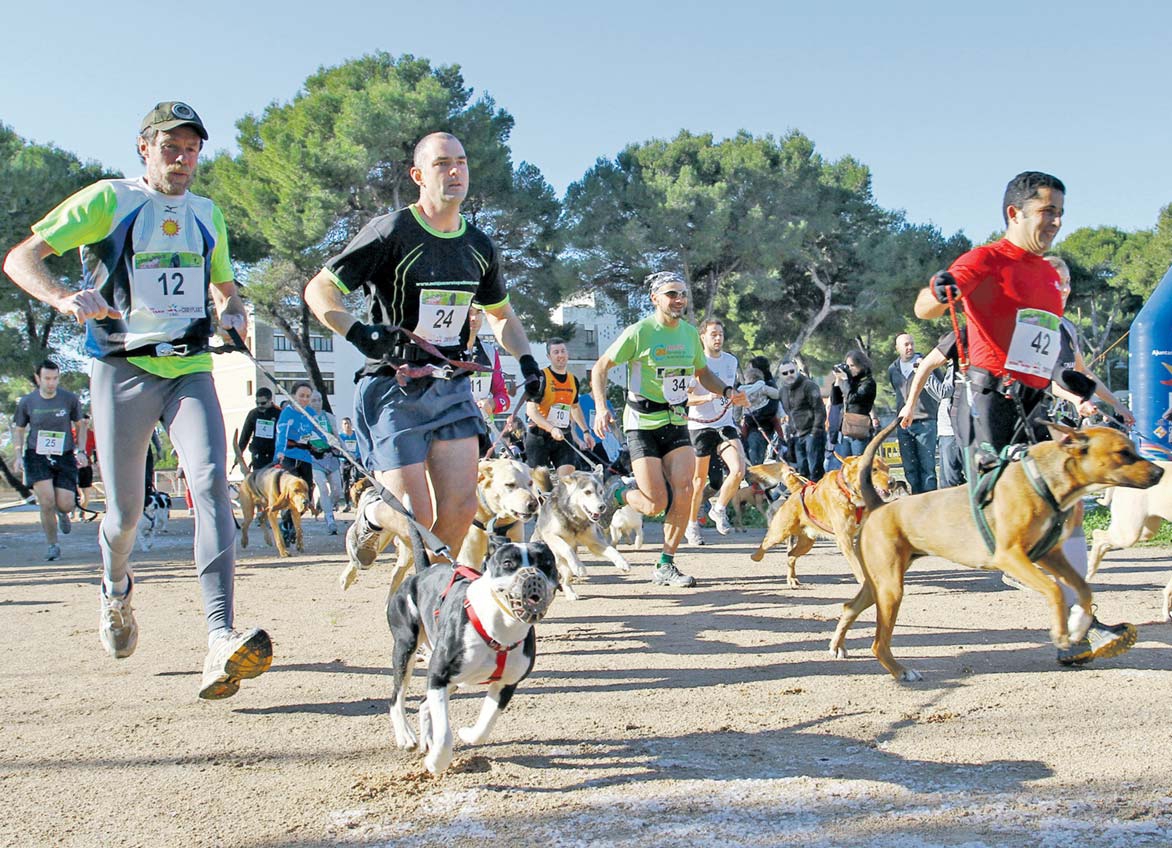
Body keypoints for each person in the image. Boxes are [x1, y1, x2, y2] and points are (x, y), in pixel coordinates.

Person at [2, 101, 271, 699]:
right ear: (144, 148)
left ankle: (220, 638)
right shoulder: (107, 201)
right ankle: (115, 589)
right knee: (123, 517)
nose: (182, 160)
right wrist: (65, 298)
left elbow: (226, 288)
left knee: (209, 486)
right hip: (121, 371)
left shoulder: (208, 214)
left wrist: (232, 309)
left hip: (189, 369)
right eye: (170, 148)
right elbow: (21, 259)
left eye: (192, 149)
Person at [914, 169, 1134, 666]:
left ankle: (1079, 625)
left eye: (1060, 211)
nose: (1056, 220)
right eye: (1046, 211)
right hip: (988, 403)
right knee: (1014, 514)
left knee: (1069, 503)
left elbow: (1039, 347)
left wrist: (1070, 385)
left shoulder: (1050, 275)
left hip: (1033, 404)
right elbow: (927, 306)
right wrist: (940, 288)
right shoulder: (985, 259)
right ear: (1015, 213)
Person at [303, 131, 542, 573]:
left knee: (461, 507)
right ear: (417, 175)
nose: (455, 171)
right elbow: (319, 289)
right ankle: (373, 513)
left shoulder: (480, 246)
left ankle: (429, 599)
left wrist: (527, 360)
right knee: (417, 517)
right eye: (442, 164)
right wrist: (358, 332)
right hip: (393, 384)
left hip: (450, 387)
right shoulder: (391, 231)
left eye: (462, 162)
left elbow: (501, 314)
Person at [592, 272, 747, 588]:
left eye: (683, 294)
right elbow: (600, 368)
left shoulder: (690, 335)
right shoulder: (639, 333)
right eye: (671, 294)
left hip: (677, 421)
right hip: (642, 424)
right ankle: (618, 492)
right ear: (655, 298)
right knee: (654, 504)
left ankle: (666, 564)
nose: (679, 300)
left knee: (686, 489)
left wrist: (728, 391)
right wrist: (601, 406)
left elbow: (703, 374)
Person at [1046, 256, 1135, 427]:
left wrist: (1116, 405)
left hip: (1067, 420)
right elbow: (1042, 382)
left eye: (1068, 281)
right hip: (1040, 418)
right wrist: (1077, 399)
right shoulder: (1034, 325)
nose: (1065, 289)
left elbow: (1083, 371)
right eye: (1058, 282)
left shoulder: (1067, 327)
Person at [12, 360, 86, 561]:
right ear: (38, 379)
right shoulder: (27, 402)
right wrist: (18, 456)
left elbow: (81, 425)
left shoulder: (69, 399)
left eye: (55, 378)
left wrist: (81, 450)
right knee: (46, 501)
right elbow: (18, 430)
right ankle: (53, 545)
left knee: (65, 504)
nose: (51, 383)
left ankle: (63, 513)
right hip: (37, 454)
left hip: (64, 455)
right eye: (47, 378)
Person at [684, 319, 747, 545]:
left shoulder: (731, 361)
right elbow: (685, 399)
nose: (718, 338)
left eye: (720, 334)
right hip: (700, 425)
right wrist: (708, 396)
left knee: (739, 469)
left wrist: (740, 397)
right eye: (713, 334)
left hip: (725, 422)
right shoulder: (695, 363)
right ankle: (691, 525)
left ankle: (718, 508)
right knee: (699, 482)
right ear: (702, 337)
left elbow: (731, 390)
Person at [525, 338, 595, 477]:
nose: (560, 355)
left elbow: (574, 408)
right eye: (556, 352)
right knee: (541, 485)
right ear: (549, 357)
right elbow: (531, 411)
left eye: (563, 351)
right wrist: (551, 428)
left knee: (567, 480)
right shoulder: (540, 377)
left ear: (567, 354)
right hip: (539, 435)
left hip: (563, 435)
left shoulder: (573, 380)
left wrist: (586, 432)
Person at [887, 334, 941, 494]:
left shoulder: (927, 363)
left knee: (927, 467)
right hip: (903, 424)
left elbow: (941, 388)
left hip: (925, 421)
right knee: (909, 467)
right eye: (905, 345)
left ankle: (930, 502)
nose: (909, 347)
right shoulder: (892, 369)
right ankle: (916, 499)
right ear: (897, 348)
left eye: (911, 344)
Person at [273, 381, 319, 541]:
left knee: (307, 494)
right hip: (289, 457)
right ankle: (287, 525)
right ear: (294, 396)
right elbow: (281, 435)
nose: (305, 399)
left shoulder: (312, 414)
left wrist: (324, 447)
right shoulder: (287, 413)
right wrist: (279, 453)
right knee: (293, 493)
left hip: (305, 457)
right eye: (301, 396)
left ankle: (292, 522)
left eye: (308, 396)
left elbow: (317, 434)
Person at [465, 306, 511, 455]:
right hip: (450, 433)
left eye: (478, 313)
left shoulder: (489, 352)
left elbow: (503, 397)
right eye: (468, 313)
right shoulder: (443, 350)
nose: (474, 318)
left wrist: (492, 404)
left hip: (481, 432)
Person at [776, 361, 826, 481]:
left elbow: (819, 409)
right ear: (781, 375)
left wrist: (815, 432)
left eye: (792, 371)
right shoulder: (782, 391)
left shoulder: (808, 386)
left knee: (815, 471)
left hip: (812, 433)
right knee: (802, 471)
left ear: (797, 370)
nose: (789, 375)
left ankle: (817, 497)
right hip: (796, 436)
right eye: (785, 373)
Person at [830, 350, 877, 458]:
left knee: (858, 466)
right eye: (848, 366)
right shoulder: (850, 382)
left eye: (853, 366)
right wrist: (838, 381)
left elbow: (852, 398)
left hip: (859, 430)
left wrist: (846, 380)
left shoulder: (868, 382)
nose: (850, 369)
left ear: (862, 365)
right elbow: (835, 400)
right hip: (844, 429)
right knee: (843, 466)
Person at [308, 391, 342, 535]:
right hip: (314, 457)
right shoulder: (305, 418)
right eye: (314, 400)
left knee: (337, 491)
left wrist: (345, 451)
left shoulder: (328, 417)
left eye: (319, 399)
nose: (317, 402)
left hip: (330, 455)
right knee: (323, 488)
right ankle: (330, 520)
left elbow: (336, 435)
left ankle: (326, 505)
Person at [740, 356, 783, 465]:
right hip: (755, 424)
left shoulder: (767, 385)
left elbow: (773, 406)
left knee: (755, 454)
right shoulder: (761, 385)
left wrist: (755, 415)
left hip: (762, 425)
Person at [238, 387, 281, 471]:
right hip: (258, 452)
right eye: (257, 403)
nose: (260, 406)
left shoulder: (279, 413)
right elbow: (245, 435)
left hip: (273, 454)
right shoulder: (253, 414)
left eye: (263, 403)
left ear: (270, 400)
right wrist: (239, 453)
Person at [337, 417, 361, 509]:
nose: (347, 425)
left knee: (356, 481)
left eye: (348, 423)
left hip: (356, 461)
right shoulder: (340, 436)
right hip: (344, 461)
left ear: (351, 424)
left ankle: (358, 502)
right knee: (345, 483)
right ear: (342, 426)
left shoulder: (356, 435)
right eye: (344, 424)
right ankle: (347, 504)